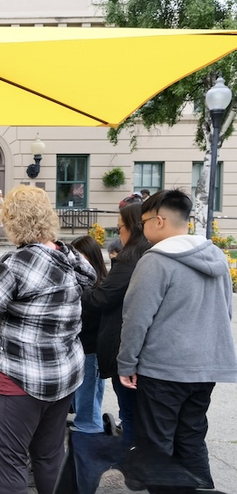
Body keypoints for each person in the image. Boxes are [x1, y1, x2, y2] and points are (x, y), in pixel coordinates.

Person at [0, 185, 96, 494]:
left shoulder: (15, 264)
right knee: (49, 454)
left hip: (20, 381)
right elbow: (39, 298)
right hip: (63, 377)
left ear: (12, 221)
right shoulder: (69, 257)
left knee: (9, 458)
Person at [118, 189, 237, 492]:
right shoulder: (217, 257)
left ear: (158, 220)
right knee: (192, 438)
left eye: (143, 220)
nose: (142, 228)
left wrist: (127, 362)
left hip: (165, 369)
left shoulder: (156, 261)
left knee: (158, 447)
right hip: (206, 369)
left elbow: (136, 318)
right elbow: (226, 310)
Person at [81, 203, 150, 449]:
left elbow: (102, 298)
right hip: (151, 353)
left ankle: (135, 468)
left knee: (130, 413)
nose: (118, 233)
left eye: (120, 227)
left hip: (128, 350)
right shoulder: (151, 255)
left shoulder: (130, 259)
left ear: (132, 228)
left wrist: (79, 289)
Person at [70, 235, 107, 435]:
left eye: (81, 257)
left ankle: (89, 441)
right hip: (78, 349)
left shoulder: (99, 285)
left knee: (88, 401)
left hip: (91, 350)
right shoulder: (75, 280)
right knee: (82, 397)